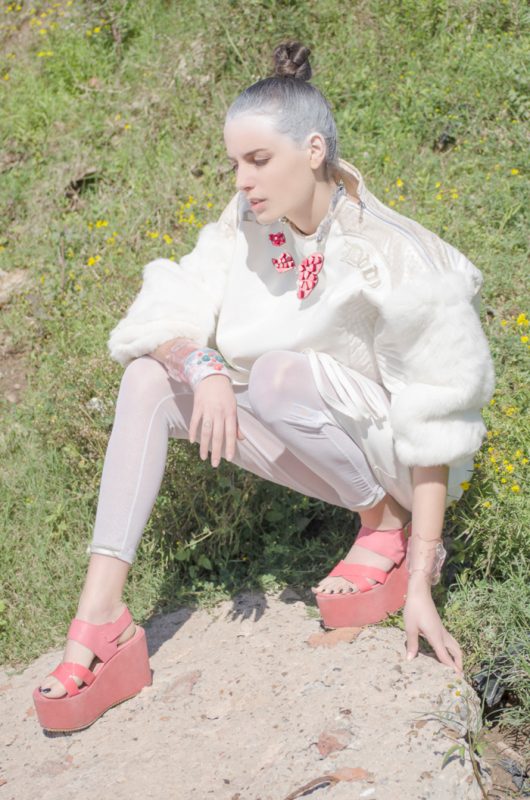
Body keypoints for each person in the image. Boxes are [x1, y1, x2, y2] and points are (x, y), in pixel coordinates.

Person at [33, 41, 495, 732]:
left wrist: (422, 580)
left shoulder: (395, 254)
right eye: (235, 164)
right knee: (149, 378)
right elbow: (175, 300)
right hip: (319, 431)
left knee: (278, 371)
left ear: (313, 150)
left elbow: (438, 421)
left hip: (404, 463)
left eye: (258, 161)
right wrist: (204, 366)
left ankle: (385, 528)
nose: (243, 182)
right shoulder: (249, 222)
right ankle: (101, 621)